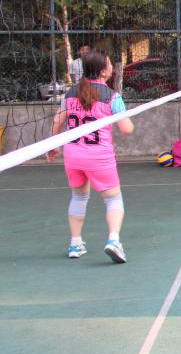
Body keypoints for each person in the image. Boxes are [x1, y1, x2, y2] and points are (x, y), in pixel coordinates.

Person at [45, 50, 135, 263]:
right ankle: (113, 241)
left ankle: (75, 243)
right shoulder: (112, 96)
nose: (112, 67)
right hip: (99, 156)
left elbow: (57, 122)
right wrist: (126, 117)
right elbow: (126, 129)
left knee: (78, 197)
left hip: (73, 155)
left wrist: (52, 146)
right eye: (110, 64)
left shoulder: (71, 93)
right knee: (113, 199)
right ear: (103, 71)